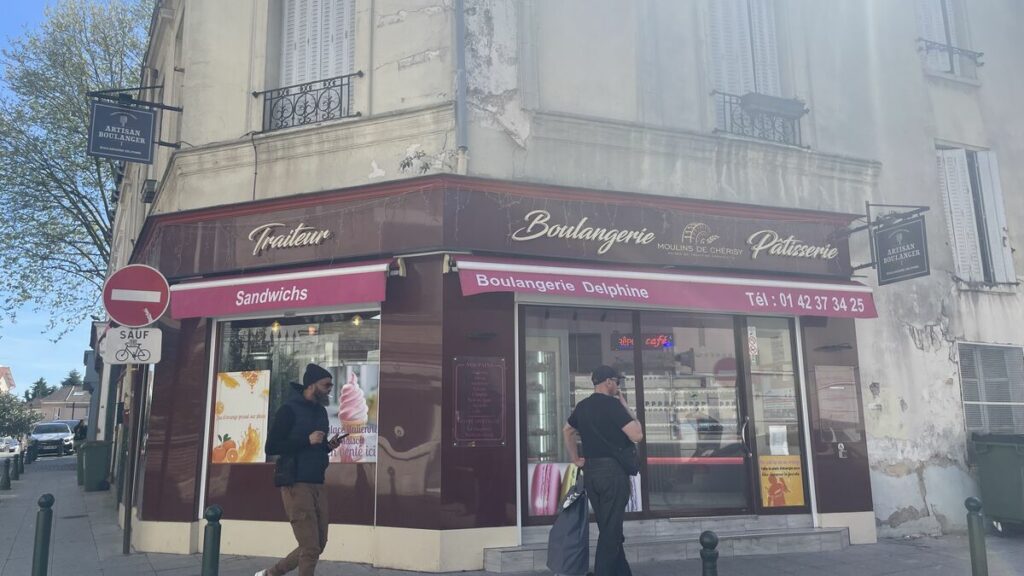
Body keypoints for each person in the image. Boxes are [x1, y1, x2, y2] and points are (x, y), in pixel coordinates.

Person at [256, 364, 344, 576]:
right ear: (312, 385)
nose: (330, 389)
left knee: (318, 544)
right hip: (295, 483)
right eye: (326, 385)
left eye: (331, 385)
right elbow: (272, 446)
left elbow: (317, 446)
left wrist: (328, 446)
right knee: (311, 546)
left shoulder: (321, 412)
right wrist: (307, 440)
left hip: (317, 482)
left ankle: (271, 574)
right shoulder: (288, 410)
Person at [563, 365, 644, 576]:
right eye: (617, 382)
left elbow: (567, 430)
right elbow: (637, 435)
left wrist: (575, 458)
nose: (618, 386)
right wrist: (625, 406)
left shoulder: (583, 406)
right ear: (608, 381)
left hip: (592, 473)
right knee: (610, 531)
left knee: (609, 527)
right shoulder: (613, 406)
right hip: (613, 474)